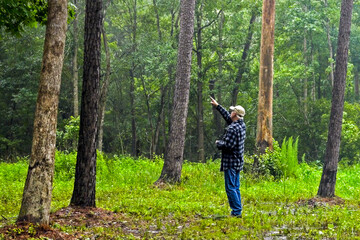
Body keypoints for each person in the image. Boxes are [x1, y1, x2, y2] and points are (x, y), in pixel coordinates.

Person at [210, 96, 246, 218]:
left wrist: (218, 143)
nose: (230, 113)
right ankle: (237, 210)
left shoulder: (232, 128)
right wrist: (218, 106)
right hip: (238, 162)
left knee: (230, 188)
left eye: (232, 111)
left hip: (230, 162)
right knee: (235, 187)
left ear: (235, 114)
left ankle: (236, 212)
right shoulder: (241, 125)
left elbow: (228, 146)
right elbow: (227, 117)